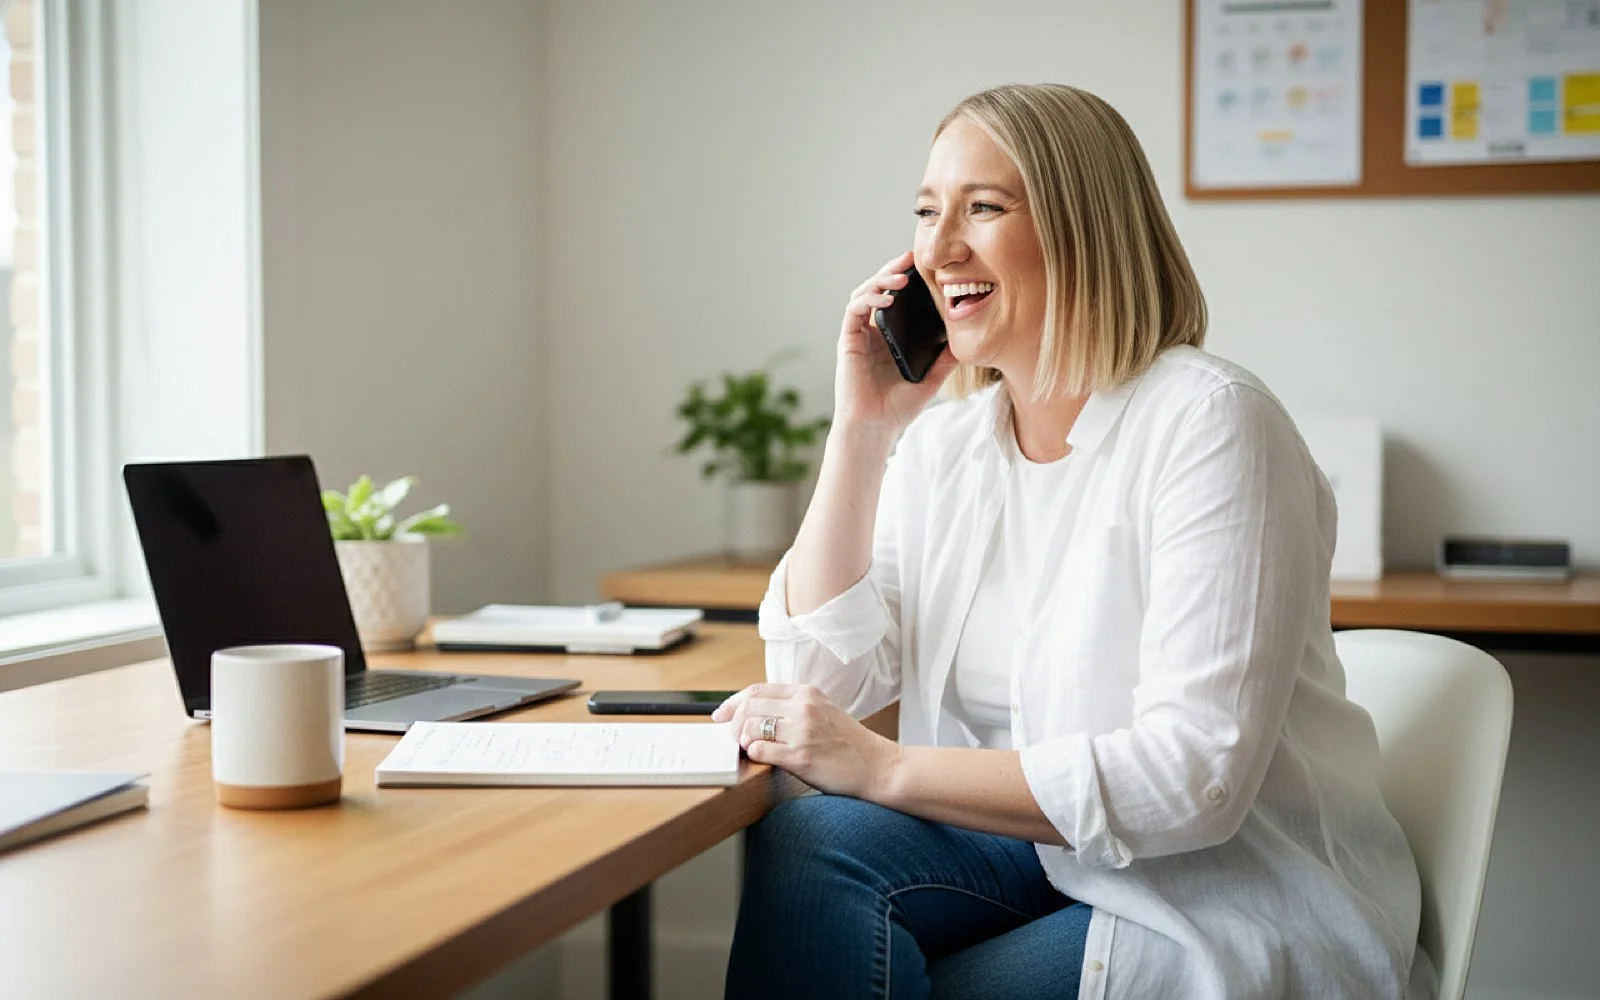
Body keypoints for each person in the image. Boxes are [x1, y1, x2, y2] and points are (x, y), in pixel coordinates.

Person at [713, 83, 1436, 999]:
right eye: (928, 212)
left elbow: (1194, 778)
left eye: (983, 208)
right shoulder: (945, 446)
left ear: (1082, 227)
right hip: (1039, 858)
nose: (936, 251)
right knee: (808, 842)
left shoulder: (1213, 423)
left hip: (1214, 891)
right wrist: (860, 430)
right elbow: (821, 686)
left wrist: (886, 765)